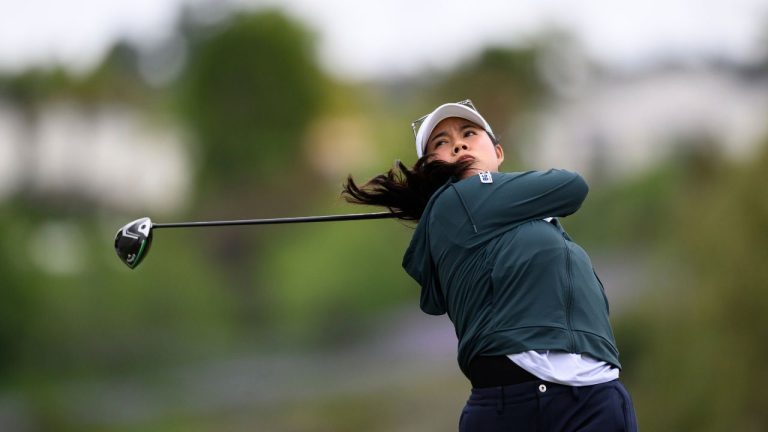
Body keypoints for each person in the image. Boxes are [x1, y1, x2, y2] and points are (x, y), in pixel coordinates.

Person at [342, 100, 637, 431]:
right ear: (431, 170)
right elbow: (571, 186)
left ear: (498, 152)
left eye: (469, 133)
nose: (458, 143)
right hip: (516, 405)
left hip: (594, 398)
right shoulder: (458, 201)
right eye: (441, 143)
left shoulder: (533, 220)